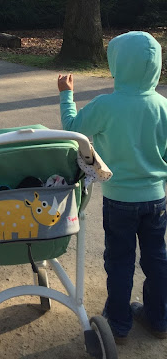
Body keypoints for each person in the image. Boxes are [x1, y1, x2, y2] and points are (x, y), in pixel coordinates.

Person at [57, 31, 167, 344]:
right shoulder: (163, 105)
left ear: (116, 65)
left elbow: (74, 132)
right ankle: (159, 318)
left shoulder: (107, 105)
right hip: (156, 200)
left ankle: (118, 325)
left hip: (119, 201)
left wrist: (67, 96)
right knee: (157, 258)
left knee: (120, 261)